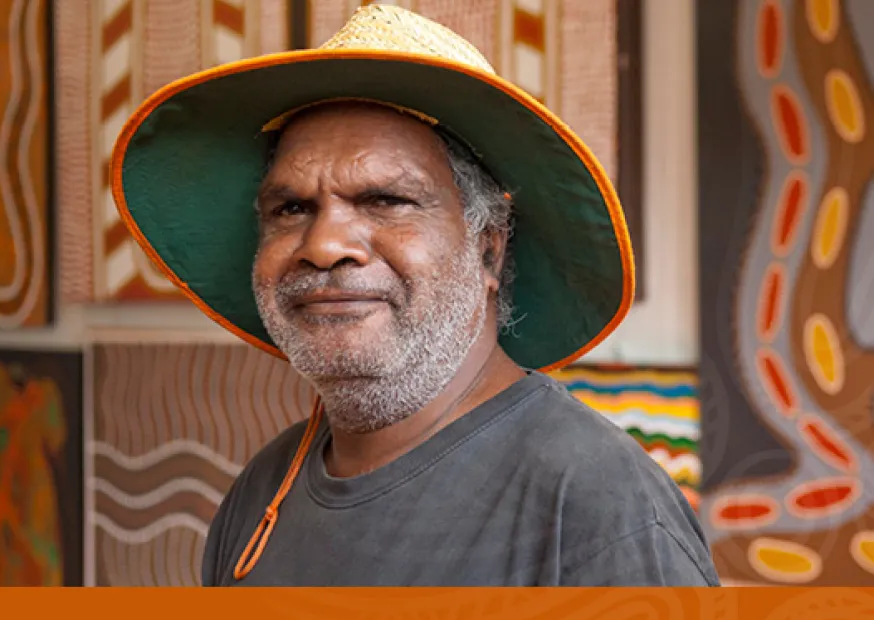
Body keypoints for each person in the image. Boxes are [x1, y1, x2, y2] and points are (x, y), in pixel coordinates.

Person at [110, 4, 719, 586]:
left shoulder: (596, 504)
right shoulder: (263, 491)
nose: (323, 245)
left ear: (488, 247)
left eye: (385, 201)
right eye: (291, 208)